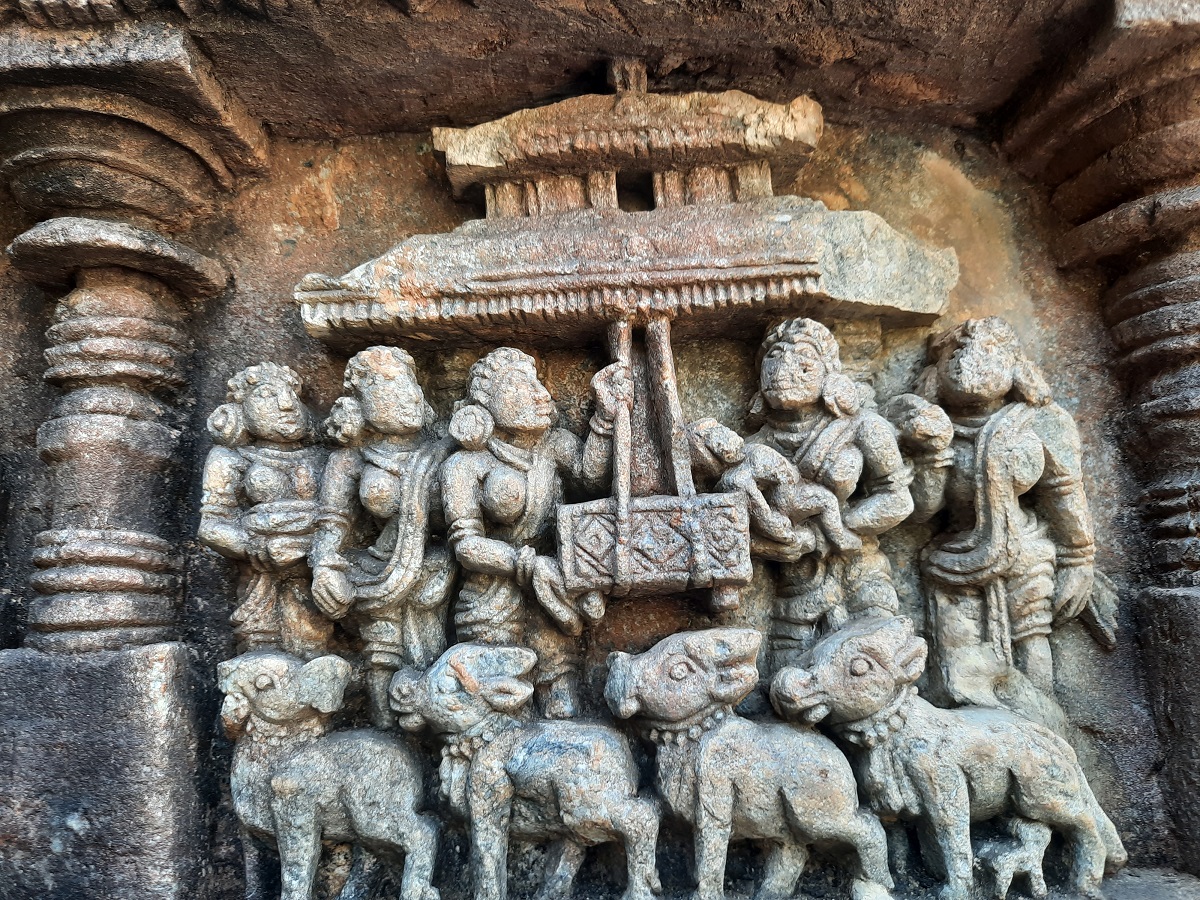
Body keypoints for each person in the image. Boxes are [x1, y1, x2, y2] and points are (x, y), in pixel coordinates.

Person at [890, 317, 1096, 713]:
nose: (969, 362)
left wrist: (1078, 557)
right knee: (959, 670)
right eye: (957, 353)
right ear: (934, 374)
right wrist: (933, 457)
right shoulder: (933, 429)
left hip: (1026, 553)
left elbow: (1064, 492)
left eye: (987, 351)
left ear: (1015, 367)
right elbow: (921, 513)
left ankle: (1042, 728)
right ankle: (981, 736)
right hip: (952, 560)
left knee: (1032, 650)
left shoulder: (1039, 423)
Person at [440, 347, 630, 718]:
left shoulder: (553, 447)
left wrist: (605, 416)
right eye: (519, 385)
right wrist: (526, 565)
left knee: (561, 696)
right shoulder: (465, 465)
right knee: (495, 702)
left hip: (553, 593)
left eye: (538, 383)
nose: (540, 394)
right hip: (489, 596)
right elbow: (465, 545)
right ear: (485, 403)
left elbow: (591, 477)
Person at [740, 318, 914, 673]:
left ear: (829, 373)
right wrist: (776, 544)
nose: (784, 367)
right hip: (796, 583)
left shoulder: (864, 428)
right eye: (773, 357)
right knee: (789, 683)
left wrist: (838, 524)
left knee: (878, 668)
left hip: (860, 574)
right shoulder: (754, 448)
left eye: (803, 356)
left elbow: (897, 496)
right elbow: (737, 524)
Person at [308, 346, 456, 728]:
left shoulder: (442, 452)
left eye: (409, 386)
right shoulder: (351, 459)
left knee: (436, 661)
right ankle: (382, 732)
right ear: (359, 403)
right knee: (382, 656)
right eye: (387, 386)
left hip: (438, 570)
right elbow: (333, 523)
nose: (405, 396)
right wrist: (324, 566)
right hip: (377, 572)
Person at [199, 362, 331, 659]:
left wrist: (315, 547)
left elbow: (343, 516)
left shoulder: (323, 458)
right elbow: (211, 525)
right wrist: (258, 547)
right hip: (262, 574)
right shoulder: (229, 458)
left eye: (290, 397)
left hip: (314, 570)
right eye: (267, 396)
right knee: (262, 650)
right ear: (240, 411)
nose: (286, 405)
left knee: (313, 642)